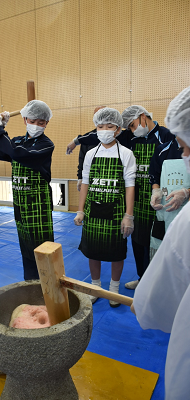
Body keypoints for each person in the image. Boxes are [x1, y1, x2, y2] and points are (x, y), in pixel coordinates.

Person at [131, 85, 190, 400]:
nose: (182, 154)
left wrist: (187, 193)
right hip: (163, 215)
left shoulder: (187, 226)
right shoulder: (165, 148)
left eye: (186, 148)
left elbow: (153, 305)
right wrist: (156, 189)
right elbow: (156, 170)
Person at [0, 100, 54, 281]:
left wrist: (0, 129)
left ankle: (47, 288)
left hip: (38, 207)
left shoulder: (46, 144)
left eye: (41, 122)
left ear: (46, 123)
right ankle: (30, 284)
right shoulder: (17, 141)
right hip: (21, 206)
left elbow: (18, 154)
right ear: (24, 120)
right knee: (26, 248)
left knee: (42, 250)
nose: (36, 126)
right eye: (32, 121)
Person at [74, 107, 136, 307]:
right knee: (93, 251)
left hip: (116, 212)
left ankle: (114, 288)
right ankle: (95, 287)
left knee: (117, 251)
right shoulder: (91, 154)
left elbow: (129, 186)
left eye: (109, 126)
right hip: (93, 211)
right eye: (100, 126)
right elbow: (85, 183)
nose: (104, 130)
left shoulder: (126, 154)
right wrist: (80, 209)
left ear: (118, 129)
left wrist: (128, 215)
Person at [121, 106, 174, 289]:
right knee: (138, 243)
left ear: (143, 116)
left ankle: (158, 284)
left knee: (158, 245)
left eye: (133, 125)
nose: (133, 130)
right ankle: (142, 279)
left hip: (160, 203)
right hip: (138, 202)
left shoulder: (166, 136)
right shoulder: (133, 140)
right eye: (130, 128)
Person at [149, 137, 190, 259]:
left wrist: (186, 192)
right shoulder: (162, 150)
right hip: (165, 212)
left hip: (186, 213)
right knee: (163, 256)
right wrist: (156, 191)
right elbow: (154, 176)